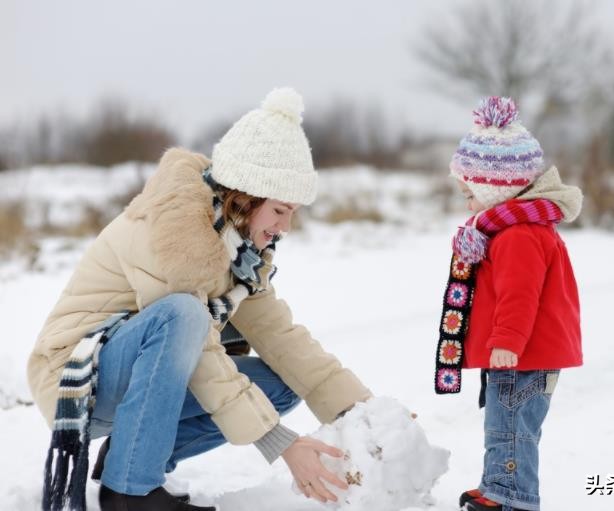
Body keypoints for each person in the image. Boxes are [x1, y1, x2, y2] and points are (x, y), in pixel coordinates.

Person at [27, 88, 372, 511]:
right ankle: (130, 491)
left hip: (136, 373)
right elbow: (202, 353)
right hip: (77, 377)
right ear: (245, 198)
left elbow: (282, 338)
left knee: (281, 382)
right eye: (280, 211)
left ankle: (130, 458)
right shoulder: (170, 231)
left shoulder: (240, 253)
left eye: (293, 213)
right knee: (183, 314)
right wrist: (281, 443)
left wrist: (366, 413)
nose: (285, 227)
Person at [433, 97, 583, 511]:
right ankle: (498, 484)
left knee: (514, 427)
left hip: (522, 354)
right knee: (502, 422)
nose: (465, 203)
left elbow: (521, 294)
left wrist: (507, 341)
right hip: (516, 354)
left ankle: (514, 496)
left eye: (468, 193)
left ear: (492, 187)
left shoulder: (518, 236)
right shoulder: (508, 230)